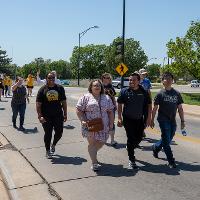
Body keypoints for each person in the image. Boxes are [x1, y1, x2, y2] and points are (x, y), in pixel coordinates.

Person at [76, 79, 114, 171]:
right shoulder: (85, 97)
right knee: (92, 143)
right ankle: (94, 162)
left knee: (102, 141)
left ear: (101, 87)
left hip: (104, 125)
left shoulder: (106, 98)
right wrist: (82, 120)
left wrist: (111, 124)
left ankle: (92, 152)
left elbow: (110, 112)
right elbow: (79, 110)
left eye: (99, 85)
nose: (97, 87)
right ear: (91, 87)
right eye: (95, 85)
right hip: (90, 125)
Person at [150, 72, 185, 168]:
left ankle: (155, 147)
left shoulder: (177, 93)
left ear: (172, 80)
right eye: (166, 78)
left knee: (168, 139)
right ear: (163, 81)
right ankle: (171, 160)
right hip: (163, 119)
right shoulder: (160, 93)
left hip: (172, 120)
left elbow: (180, 108)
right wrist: (152, 120)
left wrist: (182, 121)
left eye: (170, 78)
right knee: (166, 140)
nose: (168, 79)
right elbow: (155, 108)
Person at [117, 72, 152, 169]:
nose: (131, 82)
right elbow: (119, 104)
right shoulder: (124, 91)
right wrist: (119, 118)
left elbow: (149, 105)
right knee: (130, 138)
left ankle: (130, 147)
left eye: (134, 80)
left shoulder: (144, 92)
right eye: (130, 80)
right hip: (128, 119)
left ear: (139, 81)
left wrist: (149, 118)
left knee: (140, 137)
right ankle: (132, 160)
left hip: (139, 119)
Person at [36, 72, 67, 159]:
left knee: (59, 133)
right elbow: (38, 104)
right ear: (46, 79)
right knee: (48, 133)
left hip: (58, 115)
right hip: (46, 116)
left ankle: (53, 144)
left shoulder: (60, 88)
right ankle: (47, 150)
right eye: (49, 78)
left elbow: (64, 102)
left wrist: (65, 113)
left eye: (53, 78)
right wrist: (40, 116)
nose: (51, 79)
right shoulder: (42, 89)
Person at [101, 73, 117, 147]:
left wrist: (115, 105)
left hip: (110, 108)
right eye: (105, 77)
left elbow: (113, 97)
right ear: (102, 78)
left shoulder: (111, 87)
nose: (107, 79)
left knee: (111, 123)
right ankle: (103, 138)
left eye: (108, 78)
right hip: (101, 108)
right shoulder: (99, 86)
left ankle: (112, 140)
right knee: (103, 123)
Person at [139, 68, 152, 139]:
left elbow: (149, 90)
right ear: (139, 74)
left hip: (146, 101)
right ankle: (140, 131)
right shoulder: (137, 80)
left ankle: (142, 130)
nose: (144, 75)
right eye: (143, 74)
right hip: (138, 102)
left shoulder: (147, 81)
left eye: (145, 74)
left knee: (146, 116)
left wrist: (150, 100)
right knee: (139, 117)